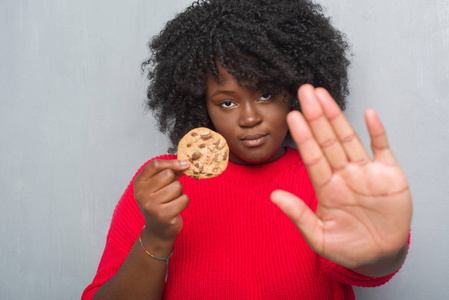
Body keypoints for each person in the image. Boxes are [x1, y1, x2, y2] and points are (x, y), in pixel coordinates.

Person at [82, 0, 412, 299]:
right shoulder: (162, 186)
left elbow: (368, 267)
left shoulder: (328, 178)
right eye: (227, 102)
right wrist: (156, 234)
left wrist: (385, 250)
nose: (250, 118)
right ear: (199, 104)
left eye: (266, 94)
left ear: (294, 89)